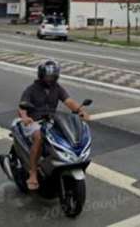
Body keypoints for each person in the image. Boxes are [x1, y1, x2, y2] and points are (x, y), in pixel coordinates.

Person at [18, 60, 90, 191]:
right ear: (41, 75)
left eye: (52, 76)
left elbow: (69, 102)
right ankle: (33, 173)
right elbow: (22, 107)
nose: (50, 78)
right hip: (35, 121)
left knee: (67, 133)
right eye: (47, 76)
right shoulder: (32, 89)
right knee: (39, 136)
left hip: (51, 121)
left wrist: (80, 111)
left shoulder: (57, 88)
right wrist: (25, 117)